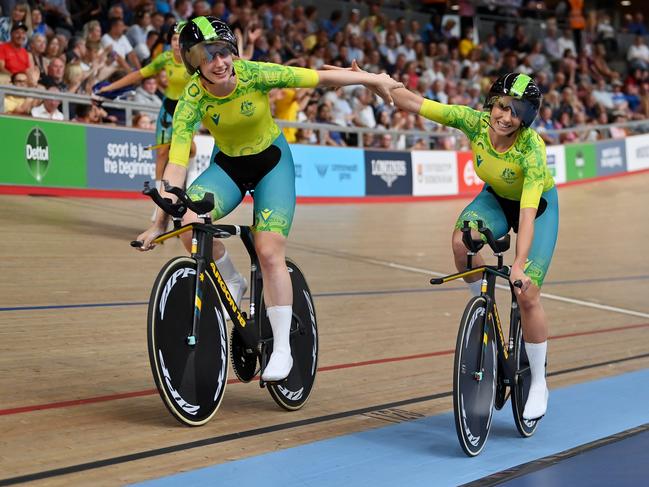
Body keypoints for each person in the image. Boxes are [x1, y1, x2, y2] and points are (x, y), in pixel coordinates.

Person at [135, 16, 401, 382]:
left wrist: (372, 79)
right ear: (193, 61)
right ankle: (231, 279)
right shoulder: (191, 97)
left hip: (271, 165)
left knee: (269, 249)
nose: (219, 61)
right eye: (207, 55)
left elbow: (318, 77)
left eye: (224, 51)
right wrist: (157, 222)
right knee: (189, 221)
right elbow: (176, 166)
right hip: (228, 168)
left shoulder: (256, 73)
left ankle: (282, 349)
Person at [331, 63, 556, 419]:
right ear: (491, 103)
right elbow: (416, 103)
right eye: (501, 106)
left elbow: (526, 214)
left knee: (526, 292)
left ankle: (540, 381)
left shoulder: (532, 150)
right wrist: (373, 81)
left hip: (538, 209)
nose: (506, 116)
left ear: (527, 118)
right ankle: (480, 310)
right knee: (460, 242)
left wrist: (518, 264)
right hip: (496, 199)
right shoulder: (474, 121)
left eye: (516, 112)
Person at [96, 24, 193, 205]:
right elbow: (137, 75)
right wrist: (108, 88)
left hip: (189, 111)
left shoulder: (194, 60)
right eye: (173, 39)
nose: (176, 43)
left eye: (180, 39)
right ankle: (160, 204)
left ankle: (188, 189)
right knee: (163, 153)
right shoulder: (165, 58)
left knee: (189, 151)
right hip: (169, 108)